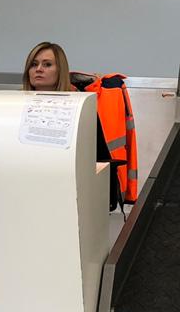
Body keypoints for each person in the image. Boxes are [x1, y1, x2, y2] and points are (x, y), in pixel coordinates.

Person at [22, 41, 122, 209]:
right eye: (33, 64)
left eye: (47, 64)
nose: (38, 69)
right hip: (28, 184)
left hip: (68, 188)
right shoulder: (15, 104)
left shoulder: (80, 106)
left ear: (60, 70)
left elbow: (99, 155)